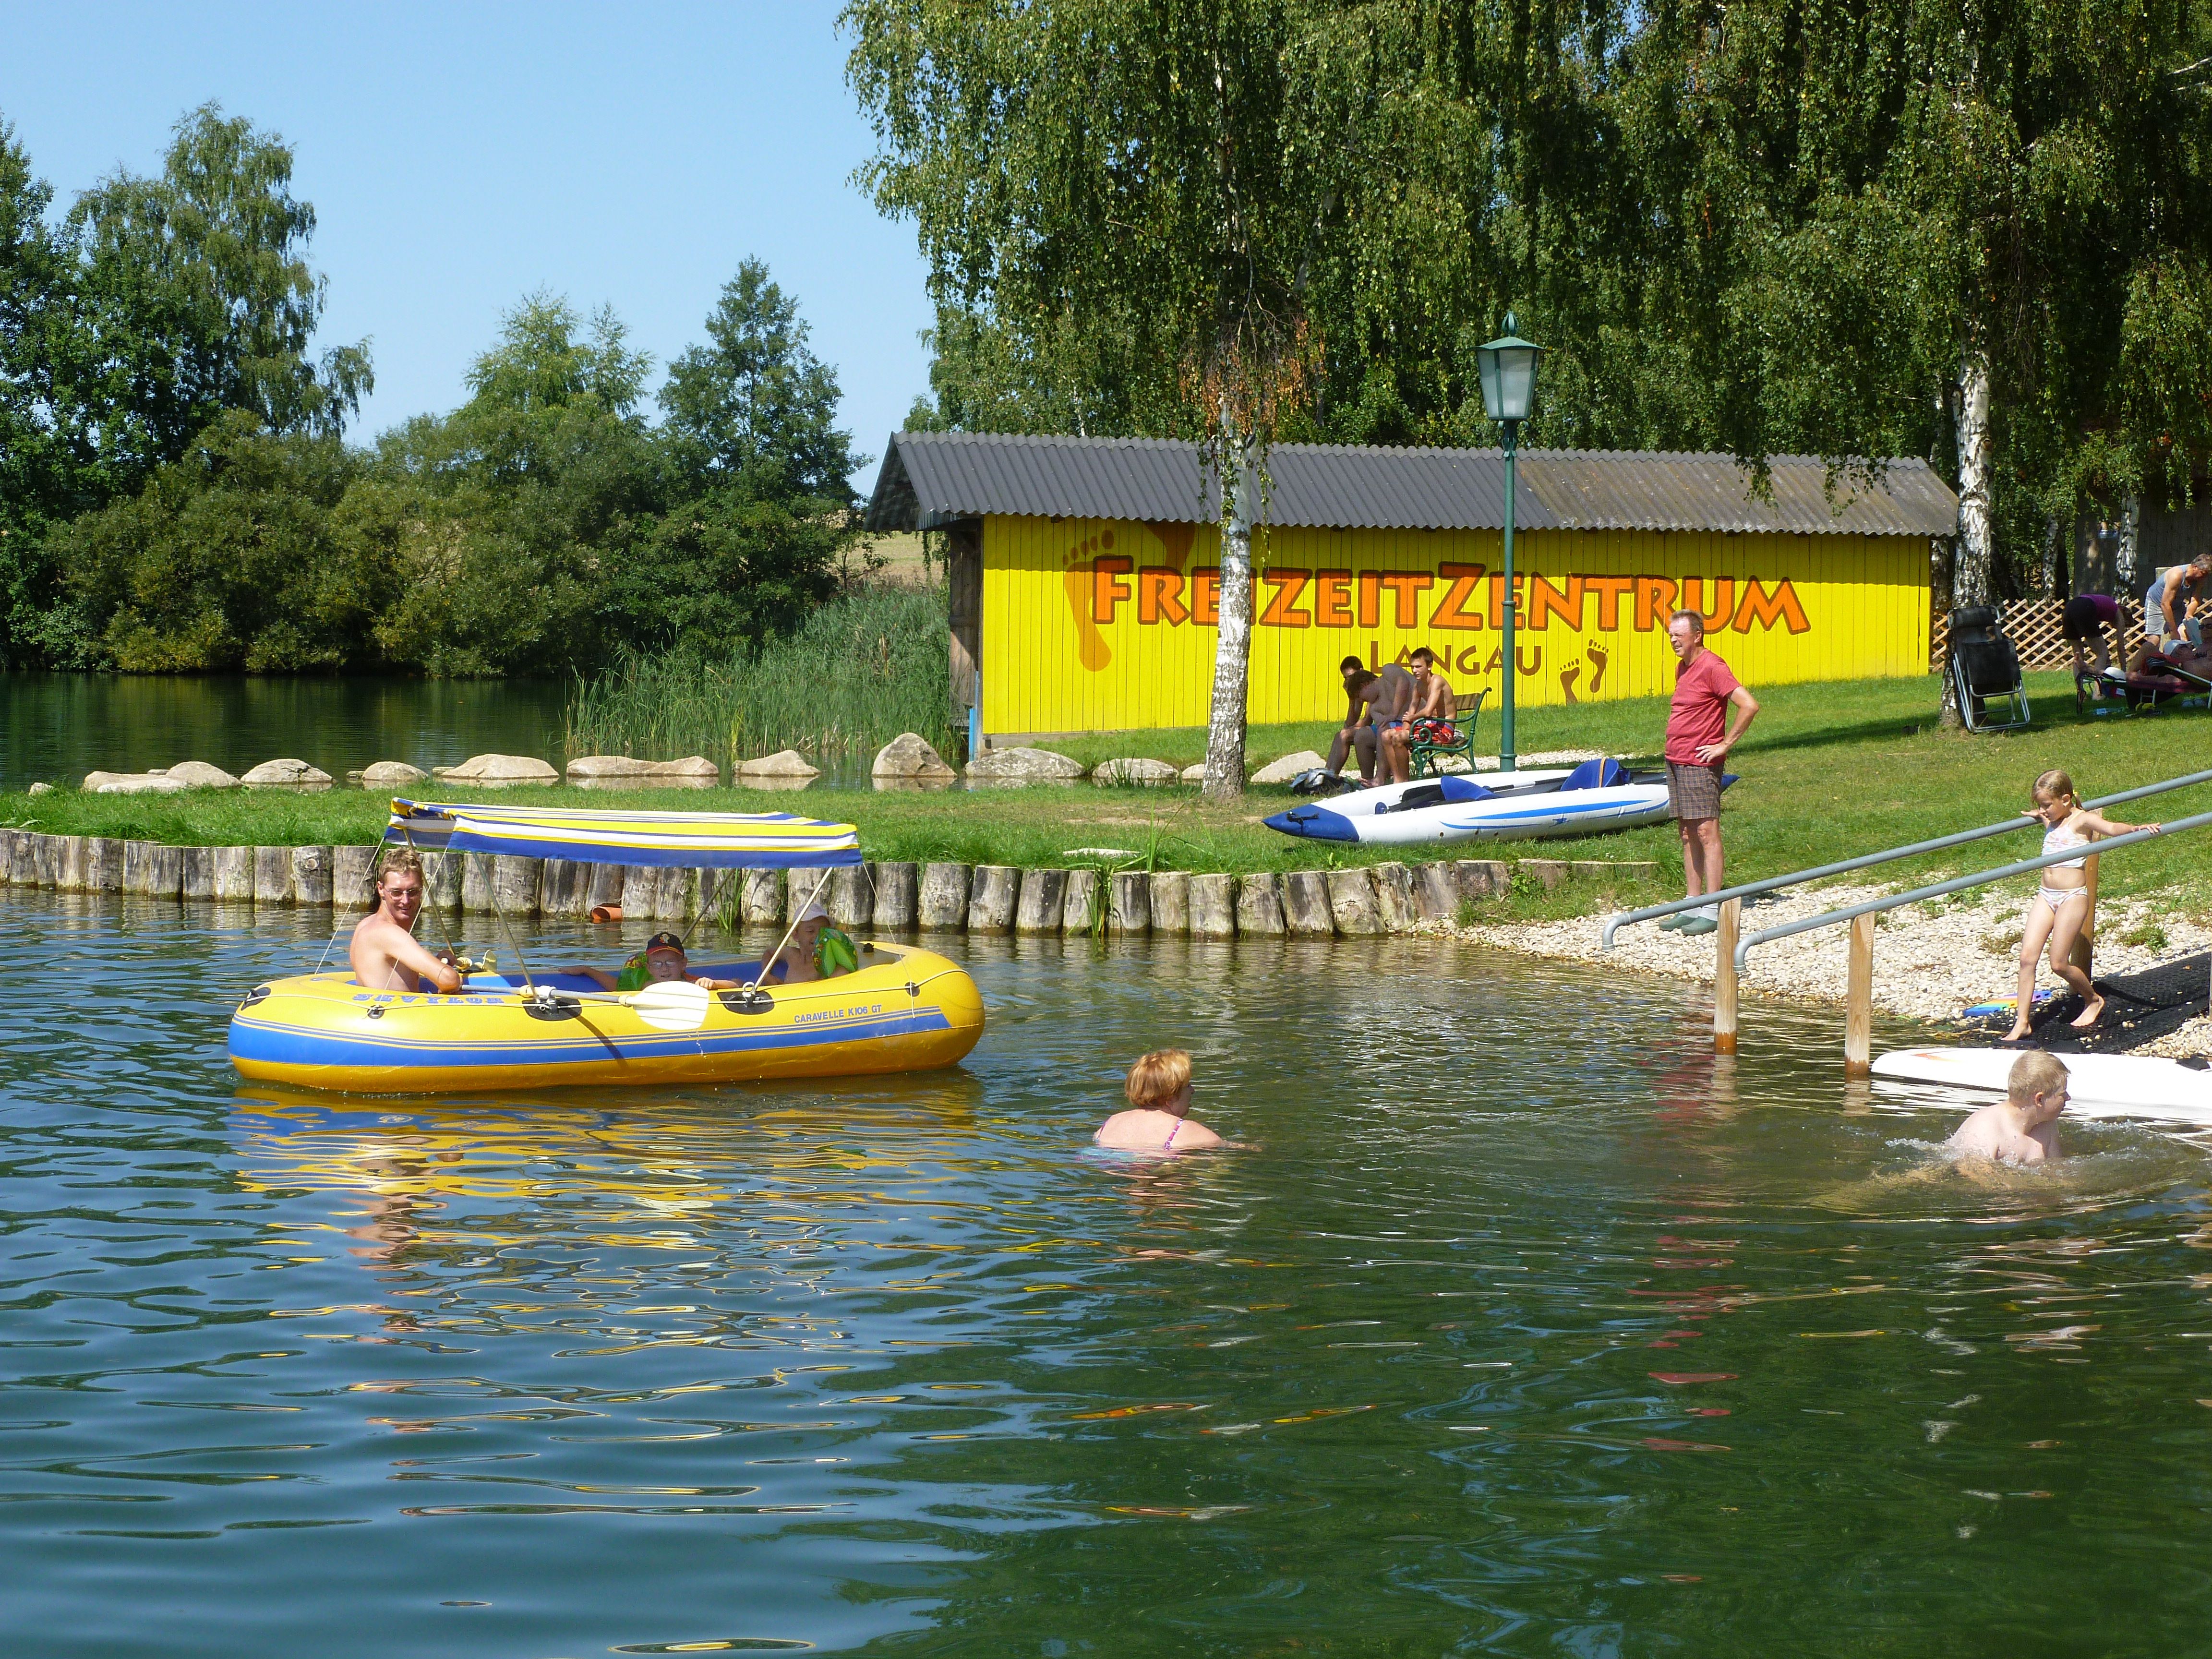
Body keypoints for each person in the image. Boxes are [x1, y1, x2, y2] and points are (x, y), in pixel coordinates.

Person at [2000, 769, 2161, 1040]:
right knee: (2027, 958)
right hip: (2045, 895)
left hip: (2072, 897)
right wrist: (2040, 813)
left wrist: (2136, 828)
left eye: (2046, 805)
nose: (2043, 811)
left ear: (2066, 799)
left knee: (2058, 963)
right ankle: (2023, 1022)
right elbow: (2047, 818)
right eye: (2040, 806)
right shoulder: (2052, 817)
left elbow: (2111, 828)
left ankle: (2093, 999)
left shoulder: (2082, 820)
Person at [1658, 610, 1759, 936]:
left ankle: (1714, 909)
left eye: (1679, 634)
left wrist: (1725, 745)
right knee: (1687, 833)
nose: (1673, 639)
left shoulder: (1713, 666)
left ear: (1697, 635)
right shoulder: (1683, 667)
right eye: (1670, 634)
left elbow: (1749, 705)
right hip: (1676, 759)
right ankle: (1691, 904)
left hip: (1700, 764)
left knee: (1706, 832)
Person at [349, 847, 466, 993]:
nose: (405, 901)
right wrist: (449, 975)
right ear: (381, 889)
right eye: (396, 893)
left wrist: (438, 962)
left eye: (413, 892)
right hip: (396, 1014)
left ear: (422, 888)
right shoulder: (387, 933)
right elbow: (449, 980)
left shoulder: (365, 924)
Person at [1945, 1050, 2070, 1166]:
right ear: (2040, 1100)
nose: (2068, 1098)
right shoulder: (1985, 1128)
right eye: (2062, 1094)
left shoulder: (2047, 1125)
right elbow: (1973, 1177)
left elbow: (2057, 1171)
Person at [1093, 1048, 1226, 1152]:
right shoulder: (1185, 1131)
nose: (1193, 1091)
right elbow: (1228, 1153)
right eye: (1188, 1086)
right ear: (1171, 1096)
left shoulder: (1110, 1124)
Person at [561, 931, 738, 993]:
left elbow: (738, 984)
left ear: (683, 964)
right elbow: (618, 989)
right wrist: (588, 970)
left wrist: (714, 983)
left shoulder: (692, 982)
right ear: (649, 967)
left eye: (670, 962)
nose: (664, 969)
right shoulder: (645, 986)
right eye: (657, 964)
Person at [759, 896, 859, 985]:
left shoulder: (828, 966)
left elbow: (842, 973)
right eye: (811, 931)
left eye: (823, 931)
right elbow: (769, 953)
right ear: (796, 935)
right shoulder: (792, 955)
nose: (818, 936)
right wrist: (767, 975)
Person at [1395, 646, 1457, 776]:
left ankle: (1402, 779)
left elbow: (1428, 712)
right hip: (1429, 727)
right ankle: (1393, 778)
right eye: (1412, 667)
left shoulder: (1437, 681)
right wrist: (1407, 728)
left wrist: (1411, 720)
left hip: (1444, 730)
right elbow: (1410, 714)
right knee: (1387, 736)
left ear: (1430, 666)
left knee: (1399, 737)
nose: (1414, 670)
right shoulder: (1418, 686)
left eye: (1418, 667)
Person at [1326, 657, 1382, 785]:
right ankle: (1327, 773)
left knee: (1344, 735)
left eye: (1351, 676)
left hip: (1382, 727)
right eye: (1345, 678)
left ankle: (1331, 777)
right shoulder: (1357, 688)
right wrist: (1352, 698)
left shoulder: (1369, 685)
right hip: (1375, 728)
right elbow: (1351, 722)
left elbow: (1367, 720)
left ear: (1361, 671)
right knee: (1341, 735)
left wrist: (1349, 730)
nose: (1349, 681)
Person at [2142, 554, 2212, 650]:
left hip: (2177, 605)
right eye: (2203, 574)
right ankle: (2142, 663)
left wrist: (2189, 613)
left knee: (2184, 633)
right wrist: (2173, 631)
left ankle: (2177, 663)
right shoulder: (2177, 575)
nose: (2204, 578)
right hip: (2157, 604)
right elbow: (2165, 604)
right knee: (2154, 641)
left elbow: (2195, 599)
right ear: (2195, 567)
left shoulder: (2199, 579)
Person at [2060, 591, 2124, 679]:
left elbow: (2089, 638)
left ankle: (2080, 690)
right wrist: (2124, 671)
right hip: (2086, 606)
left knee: (2078, 655)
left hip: (2069, 607)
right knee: (2103, 652)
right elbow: (2120, 648)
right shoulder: (2120, 614)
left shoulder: (2107, 606)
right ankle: (2097, 691)